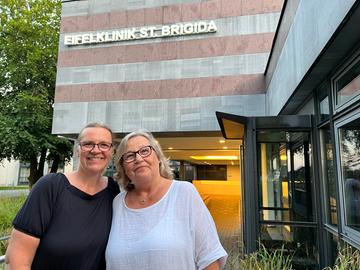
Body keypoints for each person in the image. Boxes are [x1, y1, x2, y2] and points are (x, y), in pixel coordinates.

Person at [105, 130, 227, 270]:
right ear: (123, 167)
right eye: (129, 156)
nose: (138, 159)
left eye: (145, 151)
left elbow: (210, 259)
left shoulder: (184, 193)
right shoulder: (117, 204)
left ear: (158, 157)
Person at [5, 123, 120, 270]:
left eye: (104, 145)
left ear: (111, 151)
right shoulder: (50, 187)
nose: (96, 150)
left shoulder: (116, 192)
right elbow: (16, 260)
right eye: (88, 144)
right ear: (78, 150)